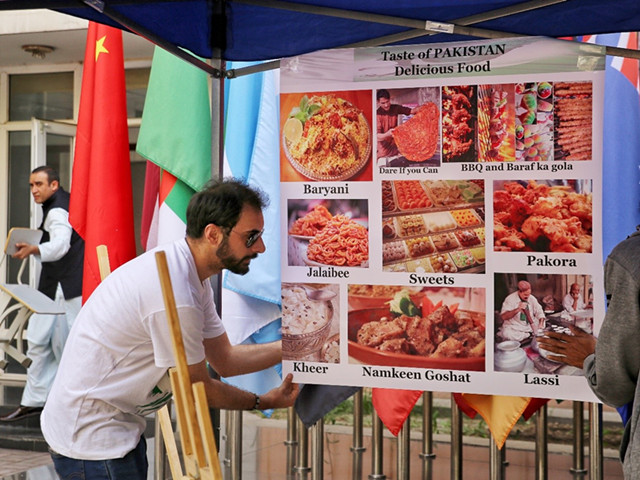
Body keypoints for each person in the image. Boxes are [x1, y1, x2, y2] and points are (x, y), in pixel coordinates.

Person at [40, 178, 299, 480]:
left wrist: (297, 347)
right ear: (213, 234)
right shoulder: (175, 288)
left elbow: (225, 359)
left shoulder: (187, 271)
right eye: (251, 236)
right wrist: (264, 401)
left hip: (113, 428)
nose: (261, 247)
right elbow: (197, 389)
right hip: (91, 440)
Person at [537, 227, 640, 479]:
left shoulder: (631, 258)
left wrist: (592, 357)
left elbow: (614, 385)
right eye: (573, 291)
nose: (575, 293)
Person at [0, 166, 84, 422]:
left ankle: (58, 404)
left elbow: (60, 245)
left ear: (54, 185)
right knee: (43, 342)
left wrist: (33, 249)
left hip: (64, 286)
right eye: (31, 185)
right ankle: (38, 402)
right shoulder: (60, 204)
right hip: (60, 284)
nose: (34, 190)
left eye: (39, 184)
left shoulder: (57, 209)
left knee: (61, 345)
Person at [376, 89, 418, 159]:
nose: (386, 105)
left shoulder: (395, 108)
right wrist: (387, 134)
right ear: (378, 102)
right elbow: (377, 136)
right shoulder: (377, 115)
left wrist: (423, 107)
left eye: (387, 101)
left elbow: (412, 111)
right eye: (383, 103)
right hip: (384, 150)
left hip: (395, 145)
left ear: (390, 99)